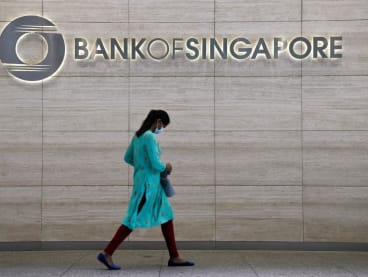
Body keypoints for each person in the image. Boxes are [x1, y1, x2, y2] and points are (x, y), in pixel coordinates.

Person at [97, 109, 194, 270]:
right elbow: (156, 164)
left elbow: (127, 158)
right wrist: (167, 166)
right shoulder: (150, 136)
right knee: (132, 219)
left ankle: (174, 256)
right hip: (148, 187)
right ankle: (107, 253)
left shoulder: (137, 136)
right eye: (162, 125)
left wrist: (142, 168)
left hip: (148, 184)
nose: (162, 128)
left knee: (167, 215)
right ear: (157, 121)